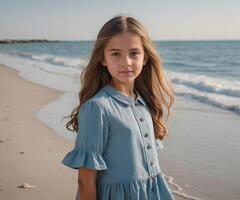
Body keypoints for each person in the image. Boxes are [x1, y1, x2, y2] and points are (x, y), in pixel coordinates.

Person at [61, 14, 175, 200]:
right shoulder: (97, 108)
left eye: (134, 53)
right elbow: (85, 179)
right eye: (115, 54)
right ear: (103, 59)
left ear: (145, 57)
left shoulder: (143, 102)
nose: (126, 62)